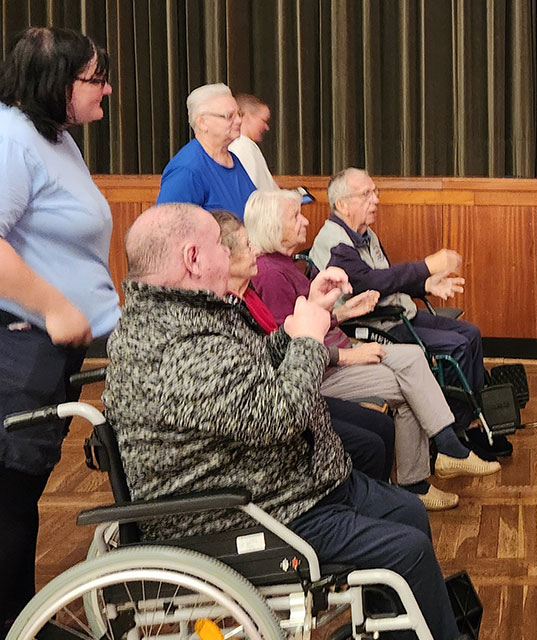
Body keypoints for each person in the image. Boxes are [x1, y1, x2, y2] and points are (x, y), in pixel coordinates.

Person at [104, 203, 462, 640]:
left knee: (408, 513)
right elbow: (279, 418)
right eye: (220, 244)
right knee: (409, 551)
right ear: (193, 260)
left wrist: (296, 329)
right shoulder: (178, 346)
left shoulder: (181, 316)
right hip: (246, 512)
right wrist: (309, 342)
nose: (233, 250)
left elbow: (243, 380)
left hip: (281, 484)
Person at [245, 190, 499, 510]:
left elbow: (303, 325)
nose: (305, 220)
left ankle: (435, 459)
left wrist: (343, 313)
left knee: (414, 358)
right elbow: (295, 343)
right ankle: (425, 470)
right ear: (271, 226)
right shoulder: (272, 274)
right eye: (294, 216)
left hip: (338, 350)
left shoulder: (286, 266)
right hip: (324, 369)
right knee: (412, 386)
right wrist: (348, 354)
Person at [0, 26, 117, 629]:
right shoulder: (11, 138)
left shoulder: (55, 140)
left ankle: (22, 618)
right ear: (57, 84)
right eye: (96, 79)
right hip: (20, 351)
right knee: (9, 501)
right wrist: (52, 305)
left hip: (54, 351)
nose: (108, 88)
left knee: (21, 501)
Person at [214, 210, 395, 483]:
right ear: (224, 260)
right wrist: (340, 352)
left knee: (381, 426)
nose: (255, 249)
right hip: (288, 398)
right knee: (372, 442)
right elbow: (286, 356)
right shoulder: (258, 284)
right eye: (247, 245)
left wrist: (331, 312)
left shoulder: (248, 293)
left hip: (299, 382)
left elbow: (283, 340)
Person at [309, 168, 485, 434]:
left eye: (375, 192)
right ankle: (452, 431)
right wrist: (426, 267)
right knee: (456, 347)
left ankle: (472, 421)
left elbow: (388, 279)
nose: (376, 200)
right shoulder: (335, 243)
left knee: (471, 333)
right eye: (366, 194)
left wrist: (425, 284)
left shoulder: (366, 235)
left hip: (397, 313)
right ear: (342, 204)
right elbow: (367, 283)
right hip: (373, 324)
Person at [156, 83, 256, 217]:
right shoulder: (187, 170)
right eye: (229, 116)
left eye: (238, 113)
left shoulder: (232, 159)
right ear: (202, 123)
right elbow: (166, 226)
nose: (239, 121)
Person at [229, 93, 278, 190]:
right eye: (263, 121)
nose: (266, 127)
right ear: (247, 118)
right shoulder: (242, 147)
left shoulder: (246, 146)